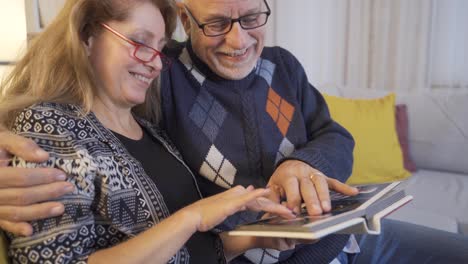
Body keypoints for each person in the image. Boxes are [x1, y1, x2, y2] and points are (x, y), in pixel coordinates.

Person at [3, 0, 467, 263]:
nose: (238, 39)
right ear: (186, 22)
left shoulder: (283, 66)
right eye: (217, 23)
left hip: (345, 239)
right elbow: (64, 98)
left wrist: (304, 162)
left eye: (250, 18)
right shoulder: (162, 78)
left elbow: (335, 135)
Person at [0, 0, 304, 263]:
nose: (155, 63)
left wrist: (259, 236)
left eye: (159, 49)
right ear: (87, 36)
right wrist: (192, 217)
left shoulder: (151, 130)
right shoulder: (49, 127)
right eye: (140, 42)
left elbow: (187, 252)